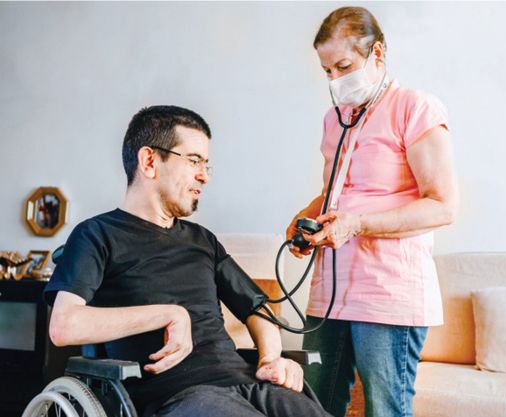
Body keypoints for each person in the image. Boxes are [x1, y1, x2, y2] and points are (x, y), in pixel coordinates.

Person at [45, 105, 332, 417]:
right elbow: (64, 326)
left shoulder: (203, 240)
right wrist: (169, 315)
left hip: (249, 386)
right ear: (150, 161)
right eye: (194, 161)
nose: (205, 177)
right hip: (178, 397)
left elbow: (256, 307)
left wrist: (270, 359)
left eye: (207, 164)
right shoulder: (96, 235)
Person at [286, 7, 459, 417]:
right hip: (330, 293)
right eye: (327, 70)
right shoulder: (336, 120)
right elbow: (338, 192)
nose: (335, 79)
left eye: (343, 66)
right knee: (312, 406)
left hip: (387, 296)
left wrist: (357, 225)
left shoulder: (415, 108)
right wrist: (306, 218)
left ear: (376, 52)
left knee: (385, 410)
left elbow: (443, 206)